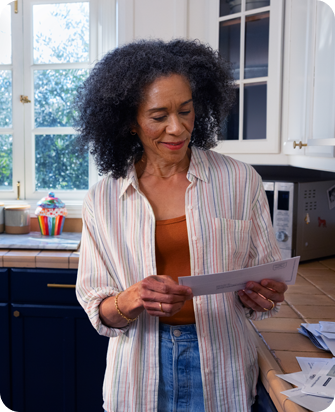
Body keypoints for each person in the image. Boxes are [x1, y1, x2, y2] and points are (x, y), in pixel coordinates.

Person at [75, 39, 287, 412]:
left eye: (186, 111)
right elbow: (99, 309)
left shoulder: (240, 181)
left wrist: (261, 297)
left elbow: (267, 286)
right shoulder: (102, 199)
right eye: (158, 117)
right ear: (129, 122)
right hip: (138, 372)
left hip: (223, 364)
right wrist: (131, 298)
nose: (177, 128)